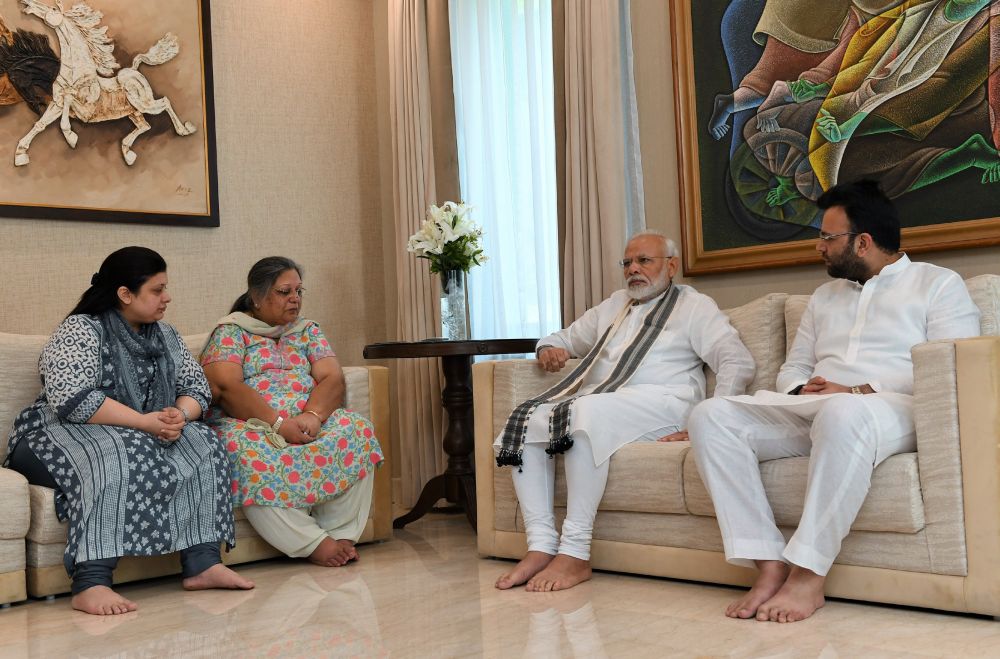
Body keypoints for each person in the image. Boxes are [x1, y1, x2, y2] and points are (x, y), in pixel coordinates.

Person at [687, 179, 981, 623]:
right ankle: (768, 563)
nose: (819, 246)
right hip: (816, 409)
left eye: (828, 237)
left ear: (862, 242)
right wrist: (800, 388)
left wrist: (857, 390)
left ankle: (808, 574)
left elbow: (948, 367)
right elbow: (793, 367)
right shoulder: (824, 298)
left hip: (894, 408)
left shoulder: (938, 284)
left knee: (844, 412)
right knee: (711, 415)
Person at [494, 231, 756, 592]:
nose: (633, 269)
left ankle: (575, 552)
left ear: (671, 266)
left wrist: (712, 421)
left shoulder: (694, 306)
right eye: (628, 262)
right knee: (526, 418)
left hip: (664, 401)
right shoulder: (614, 305)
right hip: (603, 401)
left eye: (644, 260)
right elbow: (563, 337)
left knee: (584, 414)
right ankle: (540, 545)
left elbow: (736, 361)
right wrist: (548, 349)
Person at [3, 247, 253, 616]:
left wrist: (178, 416)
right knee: (118, 451)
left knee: (204, 442)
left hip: (144, 431)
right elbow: (72, 398)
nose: (167, 297)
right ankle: (91, 582)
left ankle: (203, 563)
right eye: (157, 289)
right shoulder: (80, 329)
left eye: (165, 288)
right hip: (53, 434)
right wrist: (144, 422)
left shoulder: (166, 335)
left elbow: (196, 388)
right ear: (125, 294)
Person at [201, 257, 384, 568]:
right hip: (252, 422)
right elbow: (225, 386)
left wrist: (313, 415)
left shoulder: (307, 330)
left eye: (299, 291)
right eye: (284, 292)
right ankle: (310, 542)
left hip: (308, 417)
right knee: (243, 450)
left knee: (356, 428)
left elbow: (332, 376)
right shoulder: (231, 331)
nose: (295, 299)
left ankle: (340, 533)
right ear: (256, 297)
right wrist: (278, 424)